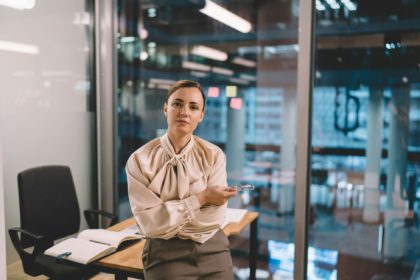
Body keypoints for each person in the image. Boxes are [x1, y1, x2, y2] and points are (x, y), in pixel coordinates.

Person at [126, 80, 238, 279]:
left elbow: (213, 218)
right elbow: (150, 225)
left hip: (212, 246)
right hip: (164, 252)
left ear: (201, 115)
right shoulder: (140, 160)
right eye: (177, 104)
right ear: (166, 108)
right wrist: (201, 199)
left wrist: (167, 215)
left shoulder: (214, 155)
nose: (184, 112)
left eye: (193, 107)